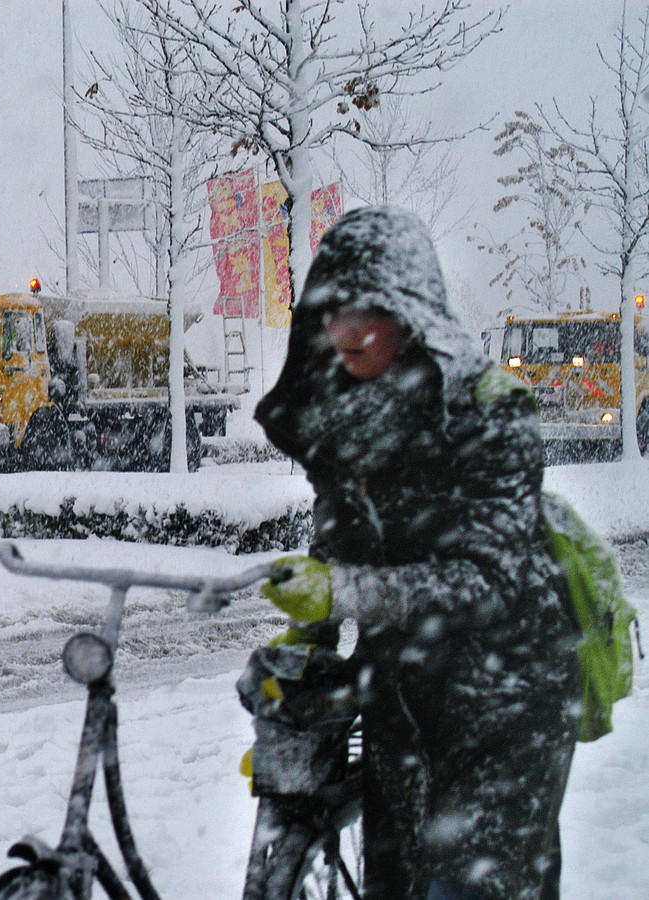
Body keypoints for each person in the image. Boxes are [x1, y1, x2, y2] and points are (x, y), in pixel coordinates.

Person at [253, 206, 582, 900]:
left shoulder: (491, 417)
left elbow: (484, 583)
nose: (338, 334)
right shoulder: (347, 415)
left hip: (506, 705)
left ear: (410, 315)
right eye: (326, 315)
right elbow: (336, 544)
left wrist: (343, 591)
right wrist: (304, 644)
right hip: (399, 705)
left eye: (356, 315)